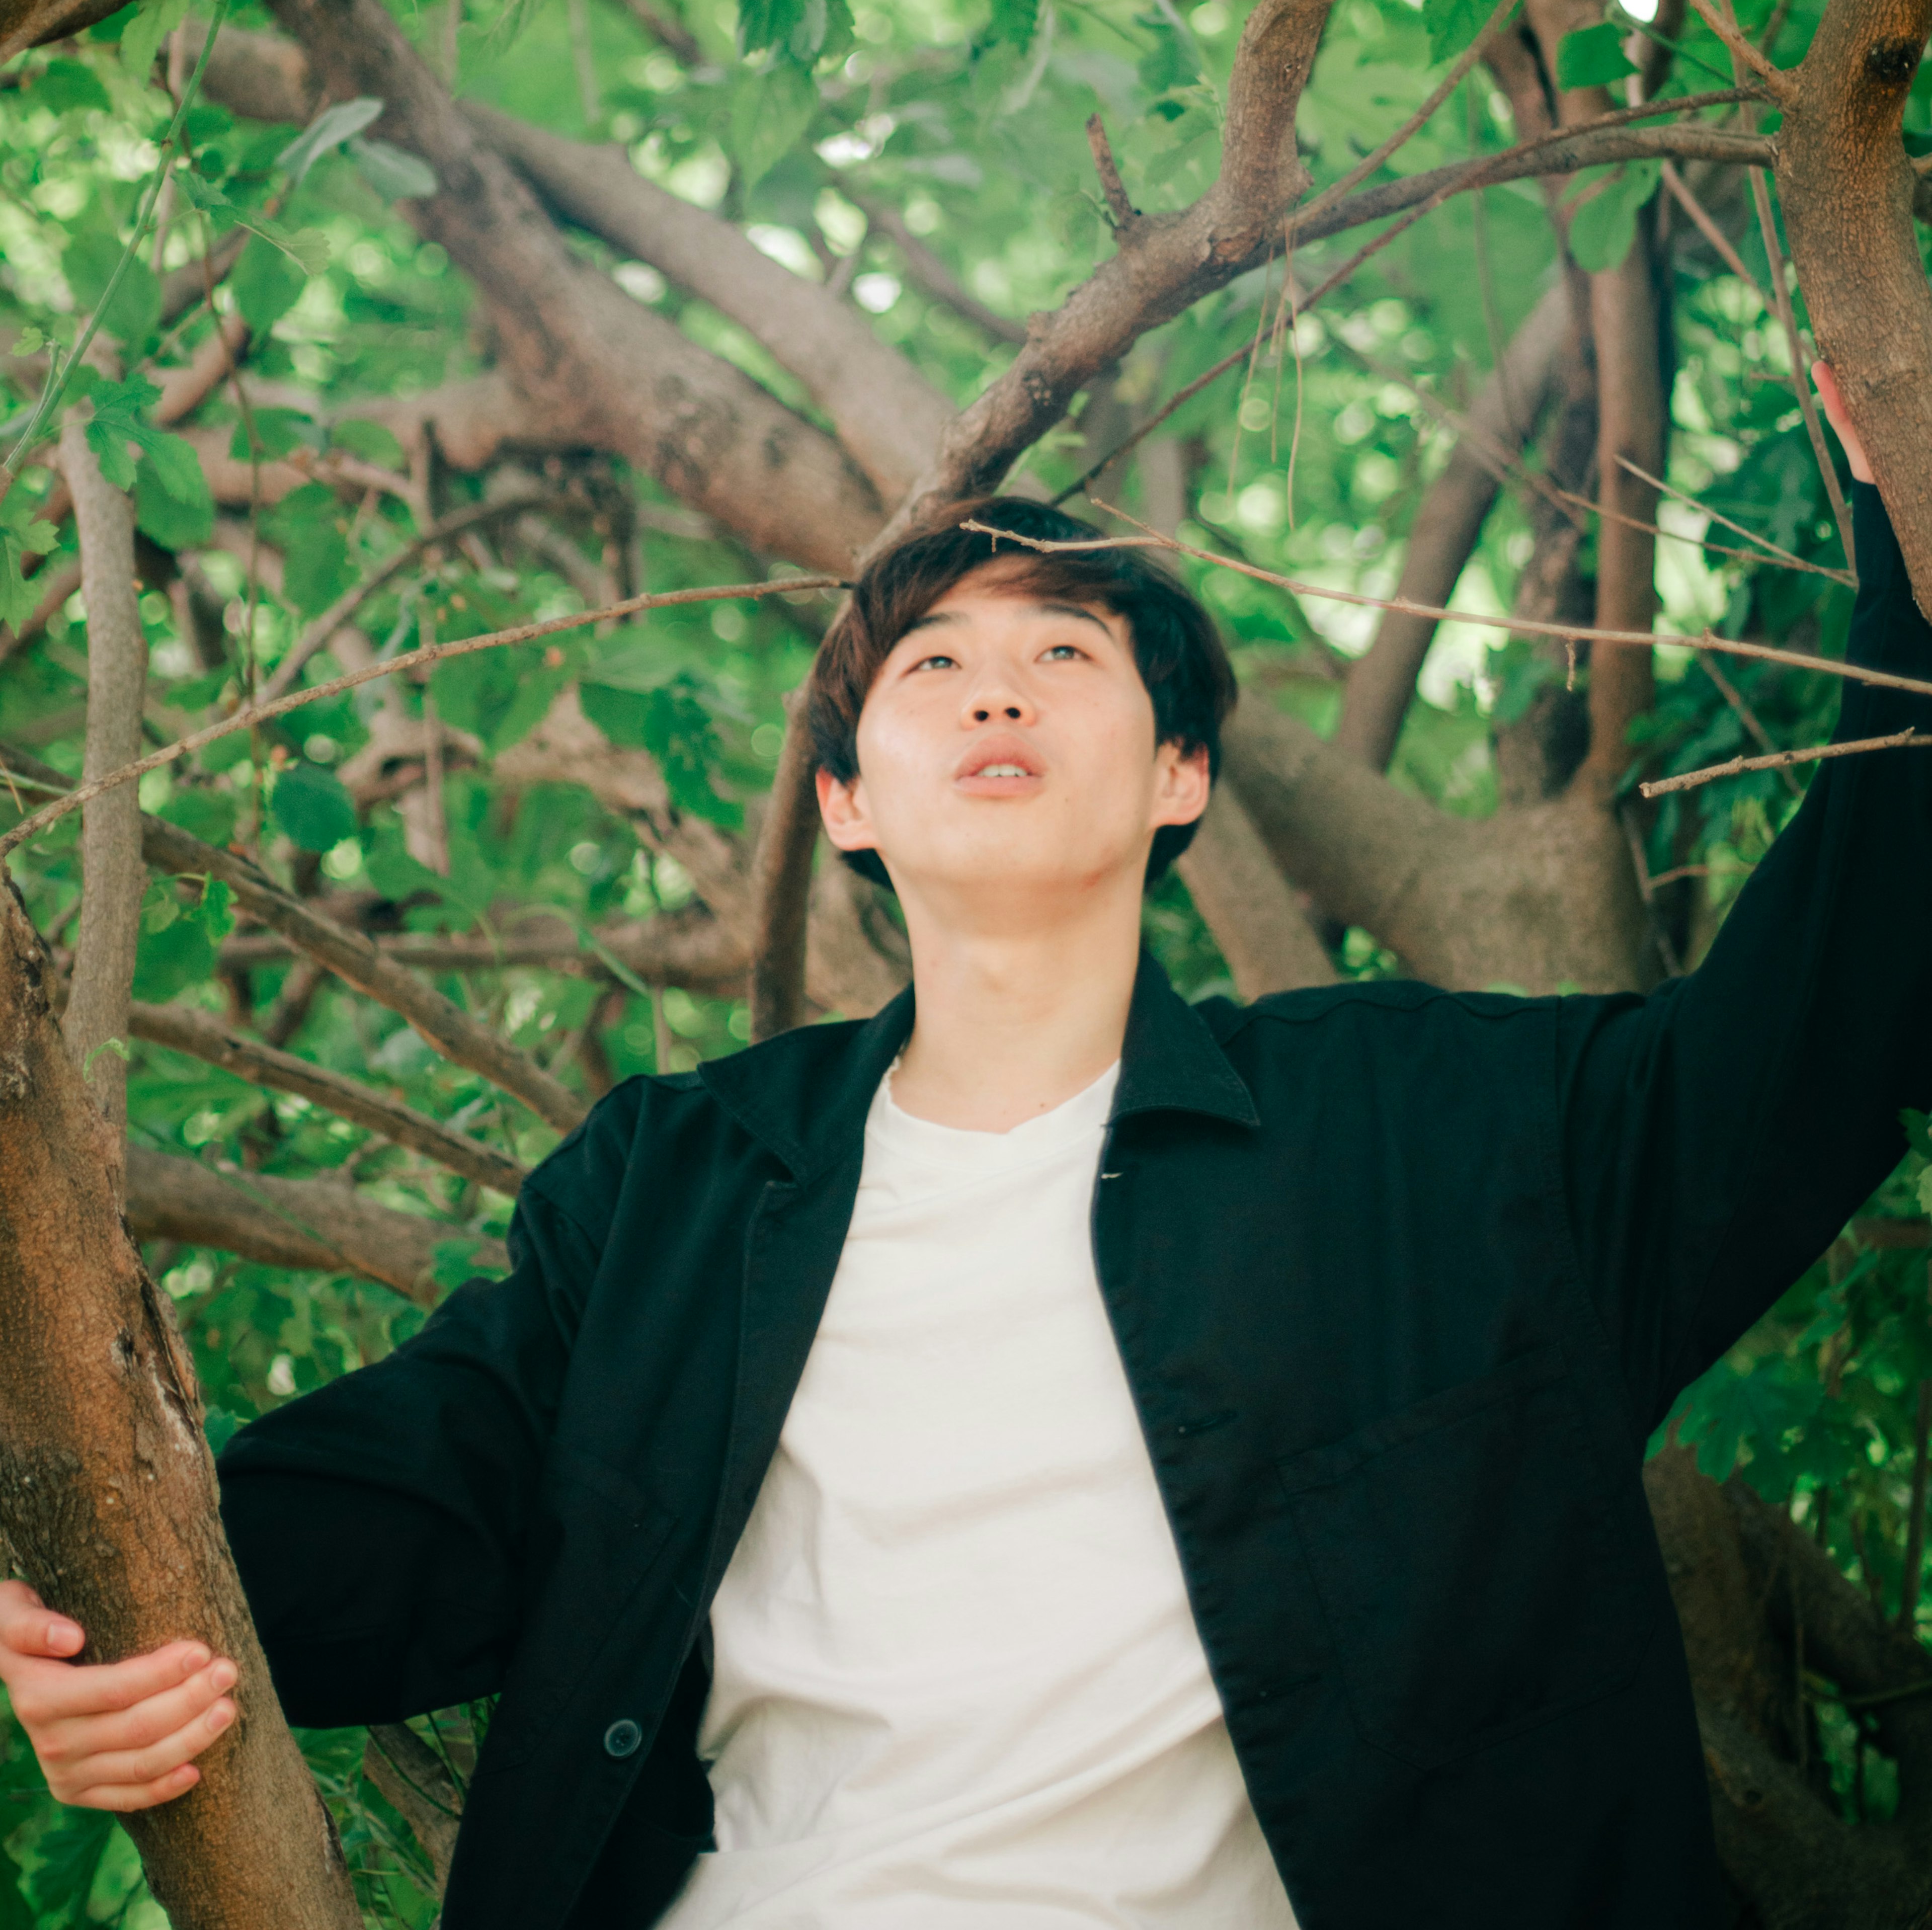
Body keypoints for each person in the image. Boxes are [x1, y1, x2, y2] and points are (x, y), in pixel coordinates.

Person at [3, 373, 1927, 1930]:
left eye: (1068, 652)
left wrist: (1906, 522)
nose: (997, 684)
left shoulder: (1436, 1131)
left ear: (1182, 775)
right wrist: (85, 1616)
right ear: (845, 803)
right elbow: (404, 1512)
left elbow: (1817, 1042)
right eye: (931, 667)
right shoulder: (674, 1191)